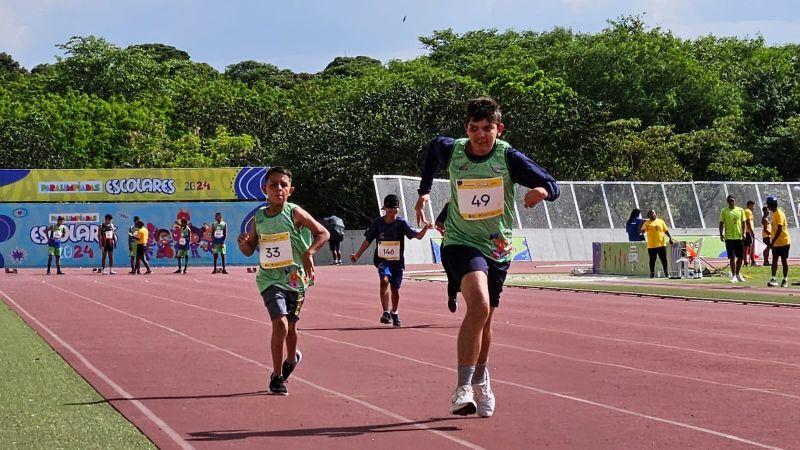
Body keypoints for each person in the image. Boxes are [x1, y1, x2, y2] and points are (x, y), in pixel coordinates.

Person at [414, 97, 560, 417]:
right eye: (474, 128)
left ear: (499, 128)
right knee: (478, 305)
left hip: (497, 248)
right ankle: (463, 386)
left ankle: (481, 380)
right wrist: (424, 190)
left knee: (487, 317)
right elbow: (431, 150)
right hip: (459, 241)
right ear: (466, 128)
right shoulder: (451, 149)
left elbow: (551, 182)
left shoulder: (508, 157)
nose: (480, 136)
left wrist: (543, 192)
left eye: (487, 129)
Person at [237, 166, 329, 395]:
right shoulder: (258, 218)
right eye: (273, 185)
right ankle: (277, 377)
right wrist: (243, 243)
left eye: (283, 185)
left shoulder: (294, 212)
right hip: (269, 279)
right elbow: (250, 250)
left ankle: (292, 357)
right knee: (280, 323)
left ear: (291, 190)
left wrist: (308, 253)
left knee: (292, 325)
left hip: (296, 279)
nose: (278, 188)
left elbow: (323, 233)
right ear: (264, 190)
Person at [350, 194, 433, 327]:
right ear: (385, 210)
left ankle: (394, 311)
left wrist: (426, 228)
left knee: (395, 289)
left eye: (395, 211)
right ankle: (385, 312)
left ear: (398, 210)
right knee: (384, 281)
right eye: (390, 211)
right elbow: (367, 241)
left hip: (397, 261)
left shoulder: (401, 223)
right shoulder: (377, 223)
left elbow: (417, 236)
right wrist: (357, 255)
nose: (392, 214)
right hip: (383, 259)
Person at [719, 195, 747, 283]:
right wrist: (721, 234)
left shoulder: (740, 210)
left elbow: (743, 222)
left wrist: (744, 232)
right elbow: (721, 223)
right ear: (727, 202)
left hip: (738, 237)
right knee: (732, 257)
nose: (731, 202)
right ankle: (733, 275)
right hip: (729, 237)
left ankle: (738, 273)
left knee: (740, 257)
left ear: (735, 201)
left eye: (733, 201)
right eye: (730, 201)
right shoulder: (724, 211)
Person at [640, 210, 675, 278]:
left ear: (655, 214)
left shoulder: (661, 221)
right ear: (648, 216)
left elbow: (666, 230)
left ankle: (666, 273)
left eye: (653, 213)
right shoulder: (647, 223)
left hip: (661, 244)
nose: (652, 215)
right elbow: (643, 230)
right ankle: (652, 274)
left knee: (664, 259)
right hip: (651, 245)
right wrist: (642, 231)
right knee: (652, 260)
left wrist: (670, 238)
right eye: (650, 214)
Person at [765, 196, 790, 287]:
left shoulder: (779, 213)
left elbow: (779, 229)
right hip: (776, 242)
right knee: (774, 260)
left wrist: (772, 242)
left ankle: (785, 279)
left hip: (783, 241)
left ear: (769, 205)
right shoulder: (774, 213)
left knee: (784, 261)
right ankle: (774, 279)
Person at [743, 201, 756, 266]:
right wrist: (751, 232)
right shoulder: (748, 211)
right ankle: (751, 261)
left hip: (747, 231)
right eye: (753, 206)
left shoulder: (745, 211)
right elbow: (747, 222)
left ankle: (746, 262)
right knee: (749, 247)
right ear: (749, 205)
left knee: (746, 247)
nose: (754, 208)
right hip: (748, 232)